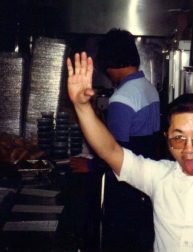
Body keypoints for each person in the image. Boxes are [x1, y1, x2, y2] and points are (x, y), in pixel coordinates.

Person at [67, 52, 193, 252]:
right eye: (178, 138)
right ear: (167, 138)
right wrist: (82, 106)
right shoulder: (159, 176)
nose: (189, 149)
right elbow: (110, 151)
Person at [69, 29, 161, 252]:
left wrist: (88, 165)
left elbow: (114, 151)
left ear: (107, 64)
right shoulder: (149, 88)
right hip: (145, 183)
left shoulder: (122, 97)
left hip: (124, 188)